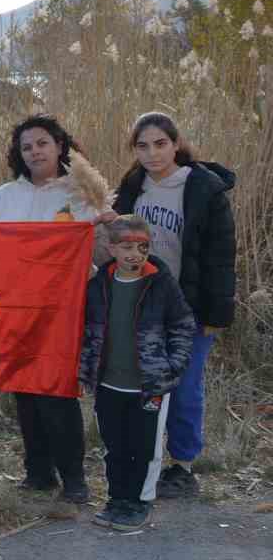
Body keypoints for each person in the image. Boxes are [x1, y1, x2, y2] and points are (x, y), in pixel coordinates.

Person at [0, 114, 114, 504]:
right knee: (24, 390)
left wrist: (106, 225)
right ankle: (38, 472)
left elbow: (105, 253)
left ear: (59, 146)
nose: (35, 151)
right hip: (17, 307)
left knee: (56, 391)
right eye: (26, 146)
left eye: (42, 143)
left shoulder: (81, 195)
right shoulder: (5, 197)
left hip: (65, 308)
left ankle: (74, 480)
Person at [113, 111, 236, 499]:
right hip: (142, 303)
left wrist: (215, 315)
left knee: (184, 388)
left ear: (176, 143)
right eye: (143, 146)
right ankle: (143, 456)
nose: (152, 154)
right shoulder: (133, 187)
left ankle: (182, 465)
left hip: (188, 307)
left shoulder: (203, 188)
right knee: (143, 386)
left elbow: (220, 257)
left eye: (160, 144)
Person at [78, 216, 195, 530]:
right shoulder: (98, 286)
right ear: (111, 248)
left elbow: (183, 325)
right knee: (115, 445)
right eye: (126, 247)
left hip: (148, 384)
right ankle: (117, 498)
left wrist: (173, 365)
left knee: (144, 447)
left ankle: (139, 502)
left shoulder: (161, 283)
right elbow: (85, 331)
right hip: (108, 384)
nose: (135, 254)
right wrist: (84, 369)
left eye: (142, 247)